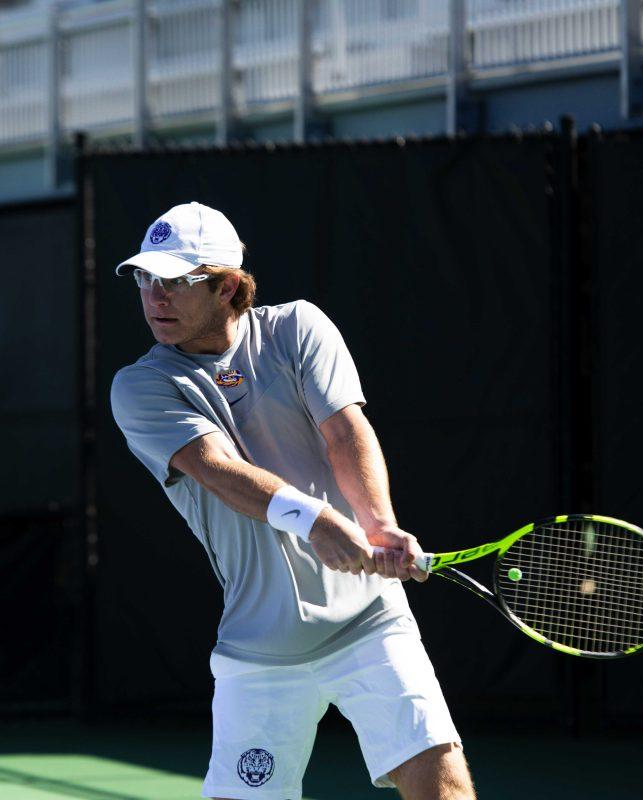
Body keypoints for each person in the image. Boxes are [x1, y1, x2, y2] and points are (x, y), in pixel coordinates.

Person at [109, 201, 476, 800]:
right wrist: (319, 521)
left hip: (372, 622)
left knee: (438, 774)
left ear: (228, 286)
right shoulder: (141, 385)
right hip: (259, 648)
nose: (155, 297)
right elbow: (217, 468)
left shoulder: (298, 328)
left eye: (175, 281)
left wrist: (379, 526)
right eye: (147, 280)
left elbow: (345, 432)